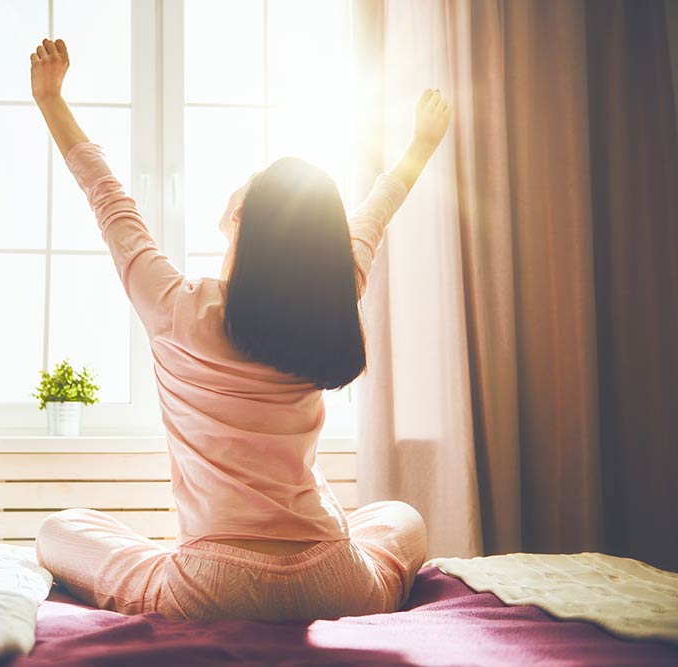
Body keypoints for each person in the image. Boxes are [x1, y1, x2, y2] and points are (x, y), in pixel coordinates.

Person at [29, 38, 452, 622]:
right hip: (336, 579)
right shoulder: (329, 301)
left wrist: (51, 99)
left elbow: (109, 198)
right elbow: (376, 211)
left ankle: (163, 569)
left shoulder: (175, 307)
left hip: (212, 585)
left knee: (59, 531)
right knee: (402, 519)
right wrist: (422, 145)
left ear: (239, 218)